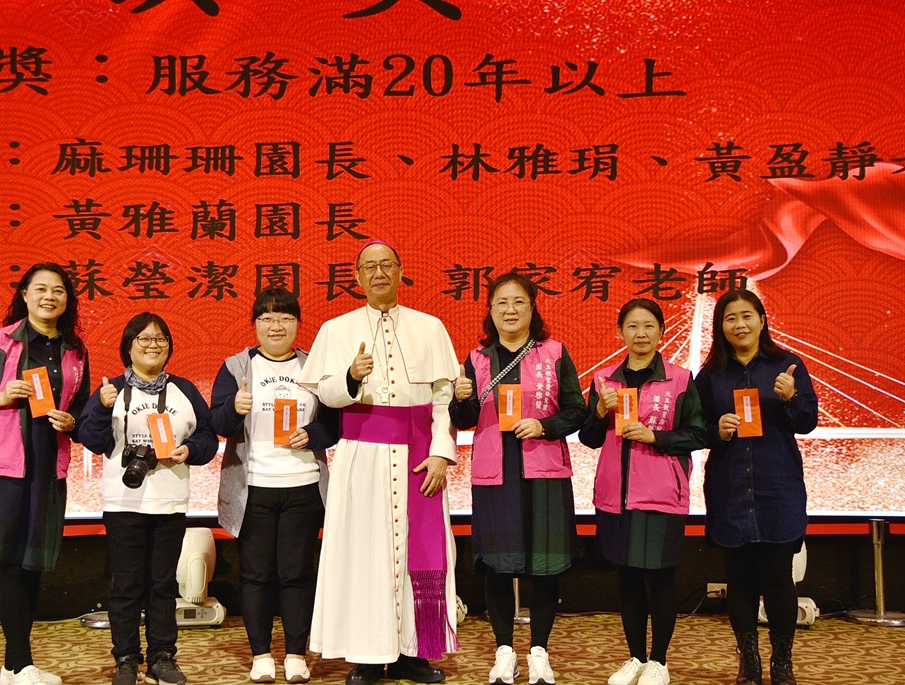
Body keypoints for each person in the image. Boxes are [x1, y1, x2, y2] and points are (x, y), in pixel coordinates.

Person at [298, 240, 460, 685]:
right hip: (362, 456)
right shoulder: (337, 329)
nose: (379, 273)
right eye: (369, 267)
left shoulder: (430, 327)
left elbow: (443, 398)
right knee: (362, 554)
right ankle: (367, 656)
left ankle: (413, 654)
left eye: (387, 265)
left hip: (419, 456)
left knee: (420, 555)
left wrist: (441, 453)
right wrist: (351, 376)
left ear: (401, 271)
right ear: (357, 277)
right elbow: (325, 393)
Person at [0, 262, 90, 685]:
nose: (50, 297)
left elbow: (82, 409)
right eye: (41, 289)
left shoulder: (75, 350)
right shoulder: (2, 340)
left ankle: (15, 666)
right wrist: (1, 395)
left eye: (58, 290)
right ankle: (17, 664)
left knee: (31, 566)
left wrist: (73, 421)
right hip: (5, 467)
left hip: (47, 467)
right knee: (12, 563)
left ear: (67, 299)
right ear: (25, 295)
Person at [449, 273, 587, 685]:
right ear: (490, 310)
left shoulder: (554, 352)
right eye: (501, 303)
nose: (510, 310)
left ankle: (539, 651)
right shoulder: (476, 359)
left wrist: (545, 426)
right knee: (498, 565)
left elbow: (577, 410)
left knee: (545, 565)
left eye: (519, 302)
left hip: (544, 469)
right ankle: (504, 651)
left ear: (532, 307)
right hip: (495, 471)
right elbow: (464, 419)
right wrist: (460, 399)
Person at [79, 313, 218, 685]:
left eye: (160, 339)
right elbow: (91, 439)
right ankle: (126, 658)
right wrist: (101, 407)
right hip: (124, 502)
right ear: (128, 346)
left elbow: (208, 439)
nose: (153, 345)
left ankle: (162, 657)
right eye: (144, 339)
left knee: (162, 585)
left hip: (170, 501)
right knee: (126, 586)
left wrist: (189, 450)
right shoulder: (111, 390)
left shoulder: (184, 390)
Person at [210, 287, 338, 684]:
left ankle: (296, 654)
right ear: (255, 325)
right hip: (254, 488)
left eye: (284, 317)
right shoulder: (237, 367)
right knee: (256, 575)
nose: (276, 325)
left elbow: (334, 426)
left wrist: (312, 435)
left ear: (298, 324)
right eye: (266, 318)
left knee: (297, 573)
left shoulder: (314, 366)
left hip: (303, 486)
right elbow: (217, 424)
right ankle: (261, 654)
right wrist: (234, 408)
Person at [578, 299, 707, 685]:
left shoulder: (680, 379)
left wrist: (656, 437)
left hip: (661, 494)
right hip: (616, 496)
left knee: (660, 577)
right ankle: (635, 657)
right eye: (632, 326)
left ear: (661, 332)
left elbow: (699, 434)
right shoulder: (604, 380)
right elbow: (589, 438)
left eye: (649, 326)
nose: (641, 334)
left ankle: (659, 662)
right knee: (628, 578)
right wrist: (599, 411)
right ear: (621, 332)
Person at [694, 289, 817, 685]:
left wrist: (791, 397)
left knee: (779, 579)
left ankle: (782, 663)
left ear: (762, 320)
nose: (739, 325)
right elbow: (694, 430)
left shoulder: (787, 365)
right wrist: (717, 430)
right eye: (730, 318)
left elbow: (807, 422)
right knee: (740, 581)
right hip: (730, 486)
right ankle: (749, 663)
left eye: (747, 316)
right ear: (720, 327)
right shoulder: (709, 376)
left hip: (776, 485)